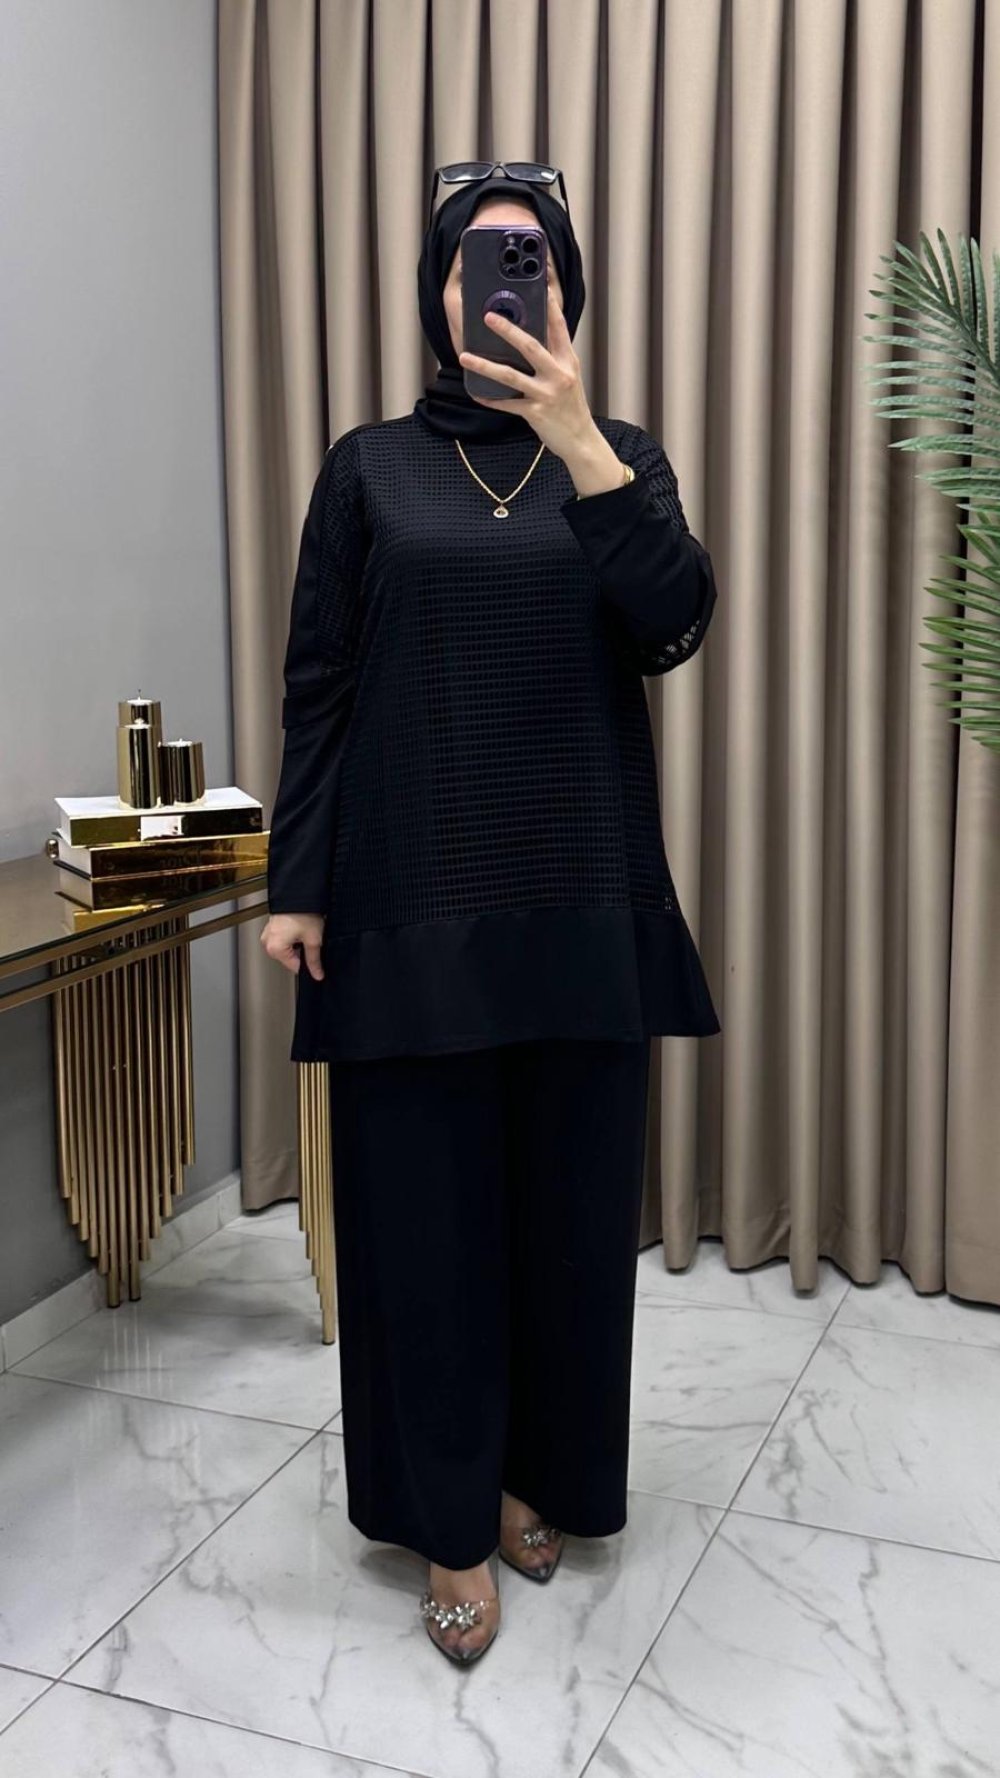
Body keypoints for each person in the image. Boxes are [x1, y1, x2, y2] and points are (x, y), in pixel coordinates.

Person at [261, 163, 720, 1665]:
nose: (506, 282)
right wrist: (298, 880)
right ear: (439, 291)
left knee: (569, 1228)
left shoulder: (619, 458)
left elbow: (672, 621)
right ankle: (449, 1521)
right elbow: (321, 683)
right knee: (428, 1231)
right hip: (406, 904)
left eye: (533, 259)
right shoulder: (367, 470)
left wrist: (579, 438)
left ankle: (542, 1476)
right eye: (480, 257)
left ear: (567, 293)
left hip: (580, 897)